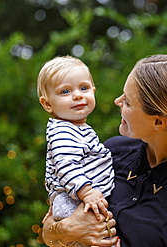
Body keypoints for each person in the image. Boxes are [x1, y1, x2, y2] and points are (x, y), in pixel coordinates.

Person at [42, 54, 167, 247]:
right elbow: (48, 231)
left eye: (127, 101)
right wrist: (65, 231)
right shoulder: (114, 151)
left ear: (158, 121)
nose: (117, 101)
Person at [37, 55, 115, 247]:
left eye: (84, 88)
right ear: (47, 104)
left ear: (93, 91)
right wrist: (87, 192)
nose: (78, 95)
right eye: (65, 91)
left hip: (79, 199)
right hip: (74, 202)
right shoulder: (62, 131)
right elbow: (66, 166)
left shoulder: (76, 128)